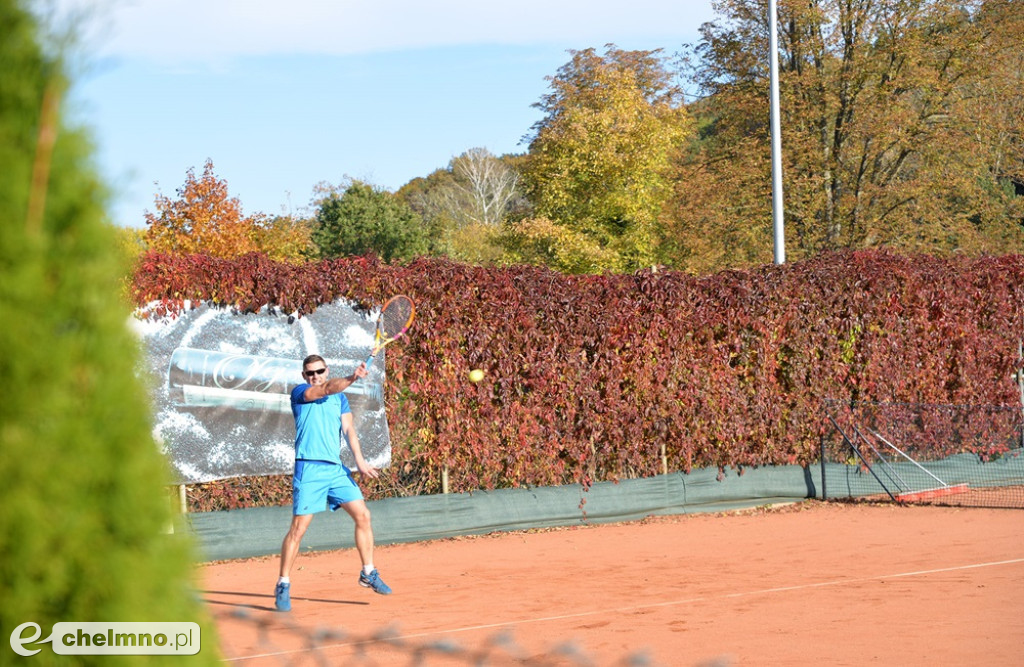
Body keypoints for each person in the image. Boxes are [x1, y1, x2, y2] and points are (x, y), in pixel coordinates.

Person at [274, 354, 391, 612]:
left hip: (336, 470)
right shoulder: (300, 392)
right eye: (310, 373)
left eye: (319, 371)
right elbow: (325, 389)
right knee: (298, 529)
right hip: (310, 467)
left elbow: (349, 430)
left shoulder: (340, 398)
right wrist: (352, 377)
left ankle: (368, 572)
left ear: (327, 370)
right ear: (304, 376)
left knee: (363, 515)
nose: (315, 375)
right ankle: (283, 583)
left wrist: (359, 461)